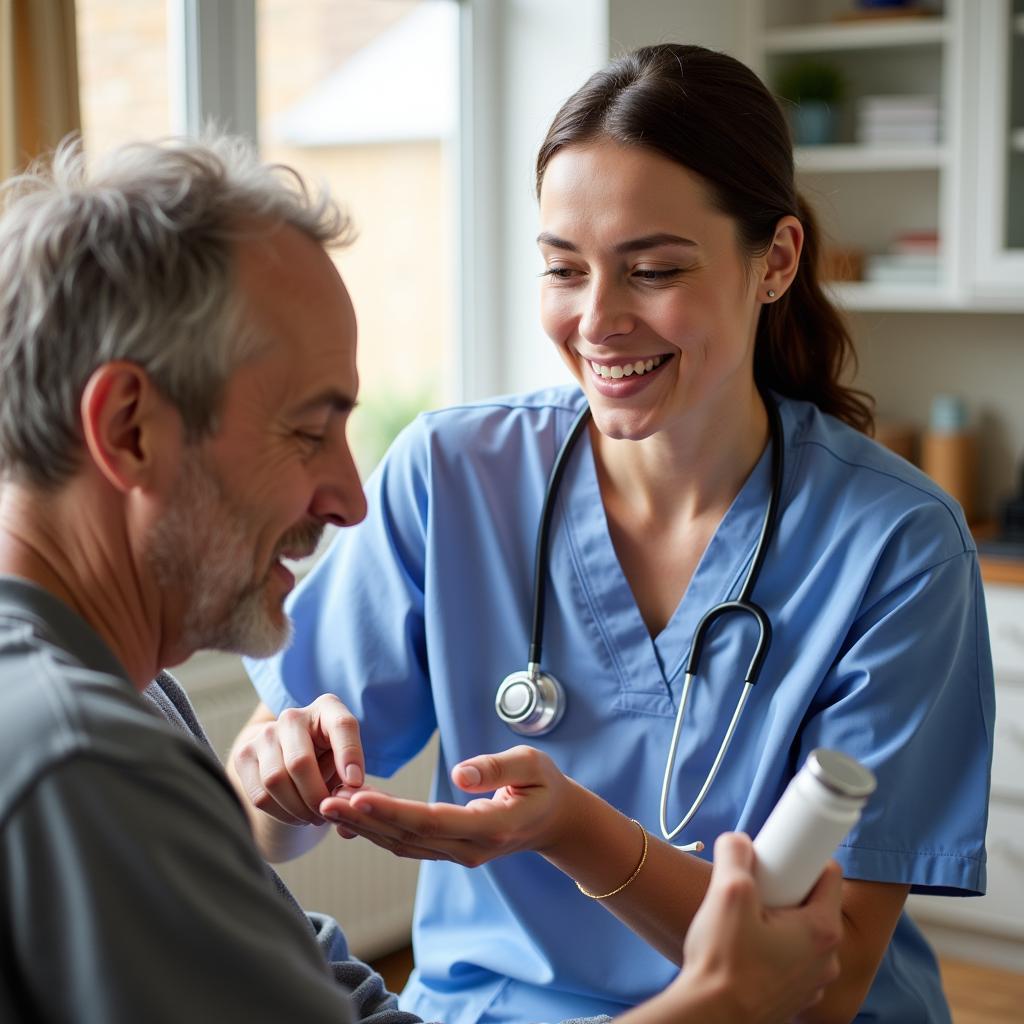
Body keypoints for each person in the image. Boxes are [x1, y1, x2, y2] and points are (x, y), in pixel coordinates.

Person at [0, 134, 842, 1024]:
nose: (350, 501)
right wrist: (722, 1002)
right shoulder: (76, 758)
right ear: (130, 429)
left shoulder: (129, 697)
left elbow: (318, 984)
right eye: (307, 430)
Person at [237, 42, 995, 1024]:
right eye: (563, 269)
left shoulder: (895, 545)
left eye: (652, 270)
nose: (597, 322)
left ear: (775, 262)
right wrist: (280, 780)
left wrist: (572, 829)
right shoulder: (451, 475)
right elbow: (264, 814)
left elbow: (820, 979)